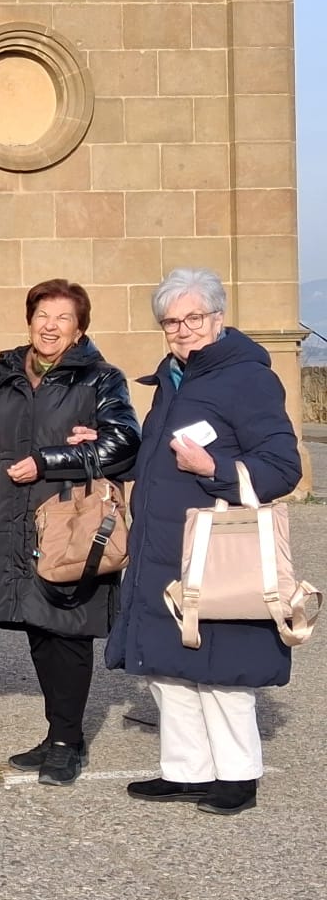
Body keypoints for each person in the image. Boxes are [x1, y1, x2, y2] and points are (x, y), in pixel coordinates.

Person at [106, 269, 303, 815]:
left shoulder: (247, 378)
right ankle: (186, 770)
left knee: (223, 667)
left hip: (217, 549)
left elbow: (283, 467)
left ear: (218, 317)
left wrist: (213, 467)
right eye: (171, 321)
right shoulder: (172, 379)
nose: (182, 329)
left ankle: (238, 775)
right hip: (162, 546)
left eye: (193, 317)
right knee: (167, 665)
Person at [0, 279, 140, 787]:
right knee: (39, 627)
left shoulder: (100, 378)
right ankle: (57, 733)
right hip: (15, 516)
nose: (50, 327)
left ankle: (68, 742)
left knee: (68, 629)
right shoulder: (6, 373)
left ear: (80, 329)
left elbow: (124, 442)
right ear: (29, 320)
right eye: (42, 316)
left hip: (71, 521)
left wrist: (50, 460)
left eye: (63, 318)